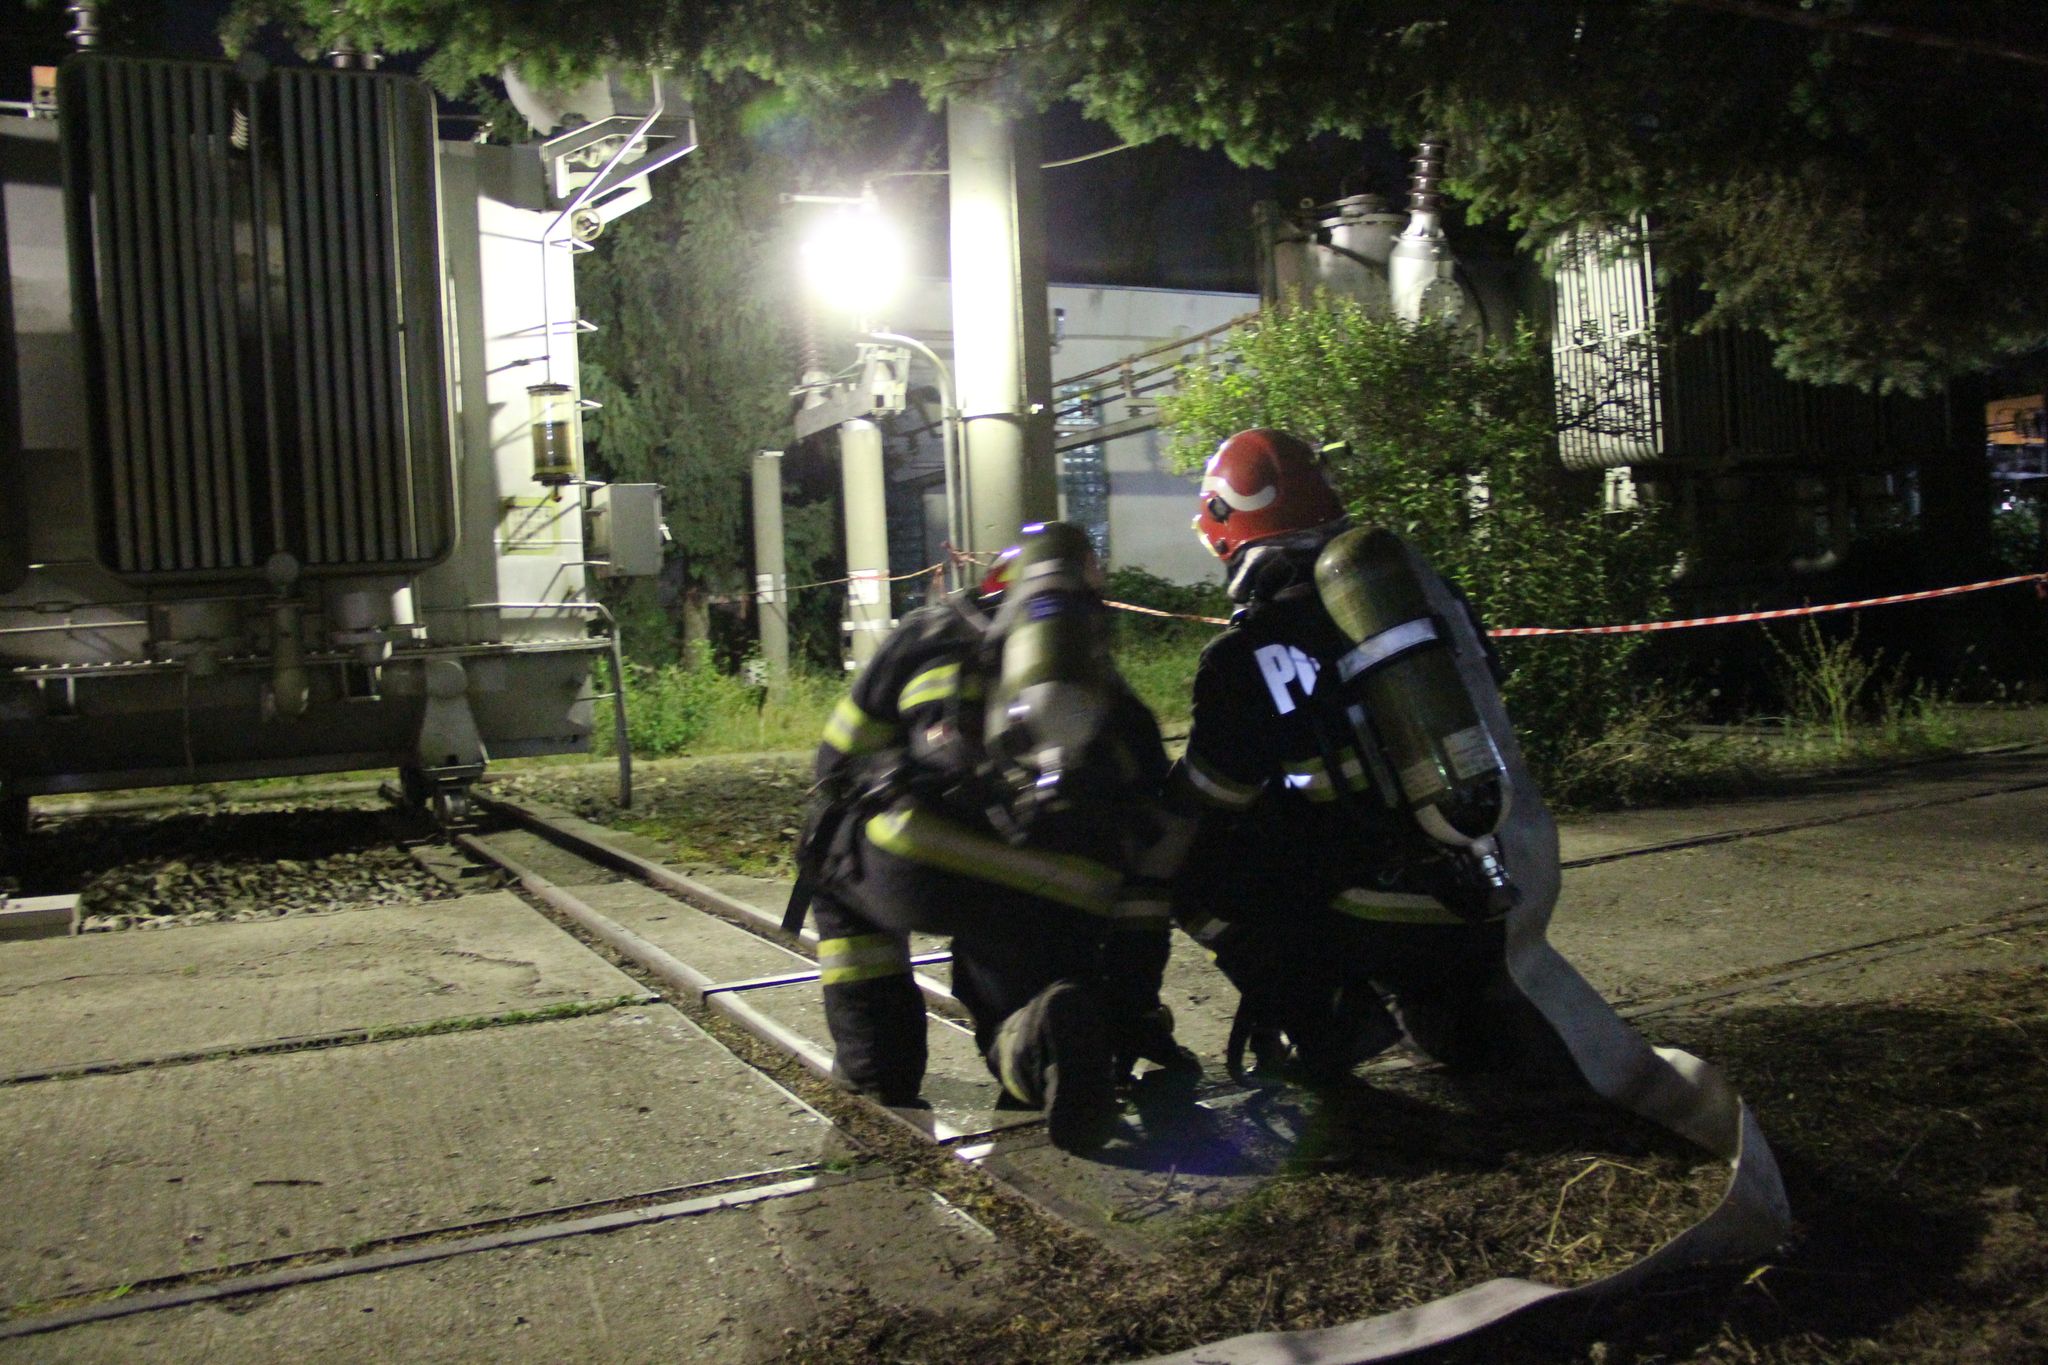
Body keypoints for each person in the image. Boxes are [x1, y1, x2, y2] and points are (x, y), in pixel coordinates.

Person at [1171, 428, 1571, 1084]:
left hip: (1369, 913)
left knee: (1187, 865)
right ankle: (1452, 1005)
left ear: (1225, 525)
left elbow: (1211, 796)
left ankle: (1328, 1015)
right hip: (1486, 880)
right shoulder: (1416, 597)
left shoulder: (1244, 652)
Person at [790, 521, 1196, 1153]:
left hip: (922, 859)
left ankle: (877, 1076)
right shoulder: (1110, 693)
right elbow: (1151, 856)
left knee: (830, 849)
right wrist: (1134, 1004)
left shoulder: (923, 635)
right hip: (1055, 883)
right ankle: (1042, 1041)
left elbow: (834, 765)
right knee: (1025, 1007)